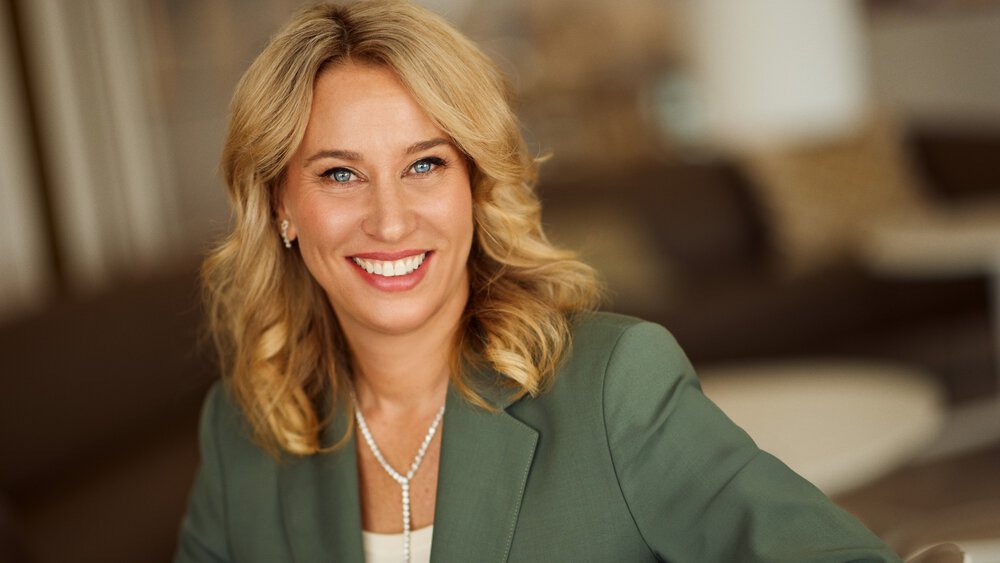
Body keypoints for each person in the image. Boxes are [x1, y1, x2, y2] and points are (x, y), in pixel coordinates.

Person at [175, 1, 902, 562]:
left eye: (425, 164)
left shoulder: (614, 385)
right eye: (340, 174)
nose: (390, 221)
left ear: (475, 183)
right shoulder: (244, 430)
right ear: (281, 206)